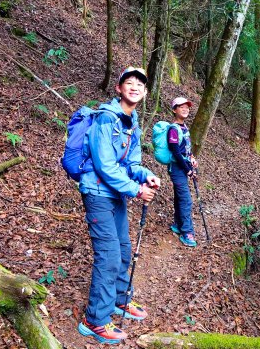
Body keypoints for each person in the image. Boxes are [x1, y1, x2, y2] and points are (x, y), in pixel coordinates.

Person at [77, 66, 161, 345]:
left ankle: (118, 299)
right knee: (110, 255)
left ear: (145, 92)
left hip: (115, 194)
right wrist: (136, 190)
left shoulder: (131, 121)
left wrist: (145, 174)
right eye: (129, 82)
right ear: (119, 88)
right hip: (98, 193)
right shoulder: (105, 119)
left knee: (123, 248)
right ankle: (95, 320)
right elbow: (104, 165)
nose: (135, 86)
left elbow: (132, 163)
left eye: (140, 84)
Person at [167, 97, 199, 247]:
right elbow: (175, 152)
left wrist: (192, 158)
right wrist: (188, 170)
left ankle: (178, 224)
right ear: (174, 110)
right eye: (181, 107)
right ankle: (187, 232)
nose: (185, 109)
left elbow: (185, 149)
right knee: (186, 200)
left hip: (184, 167)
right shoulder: (173, 129)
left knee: (180, 197)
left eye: (187, 107)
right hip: (178, 169)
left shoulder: (184, 127)